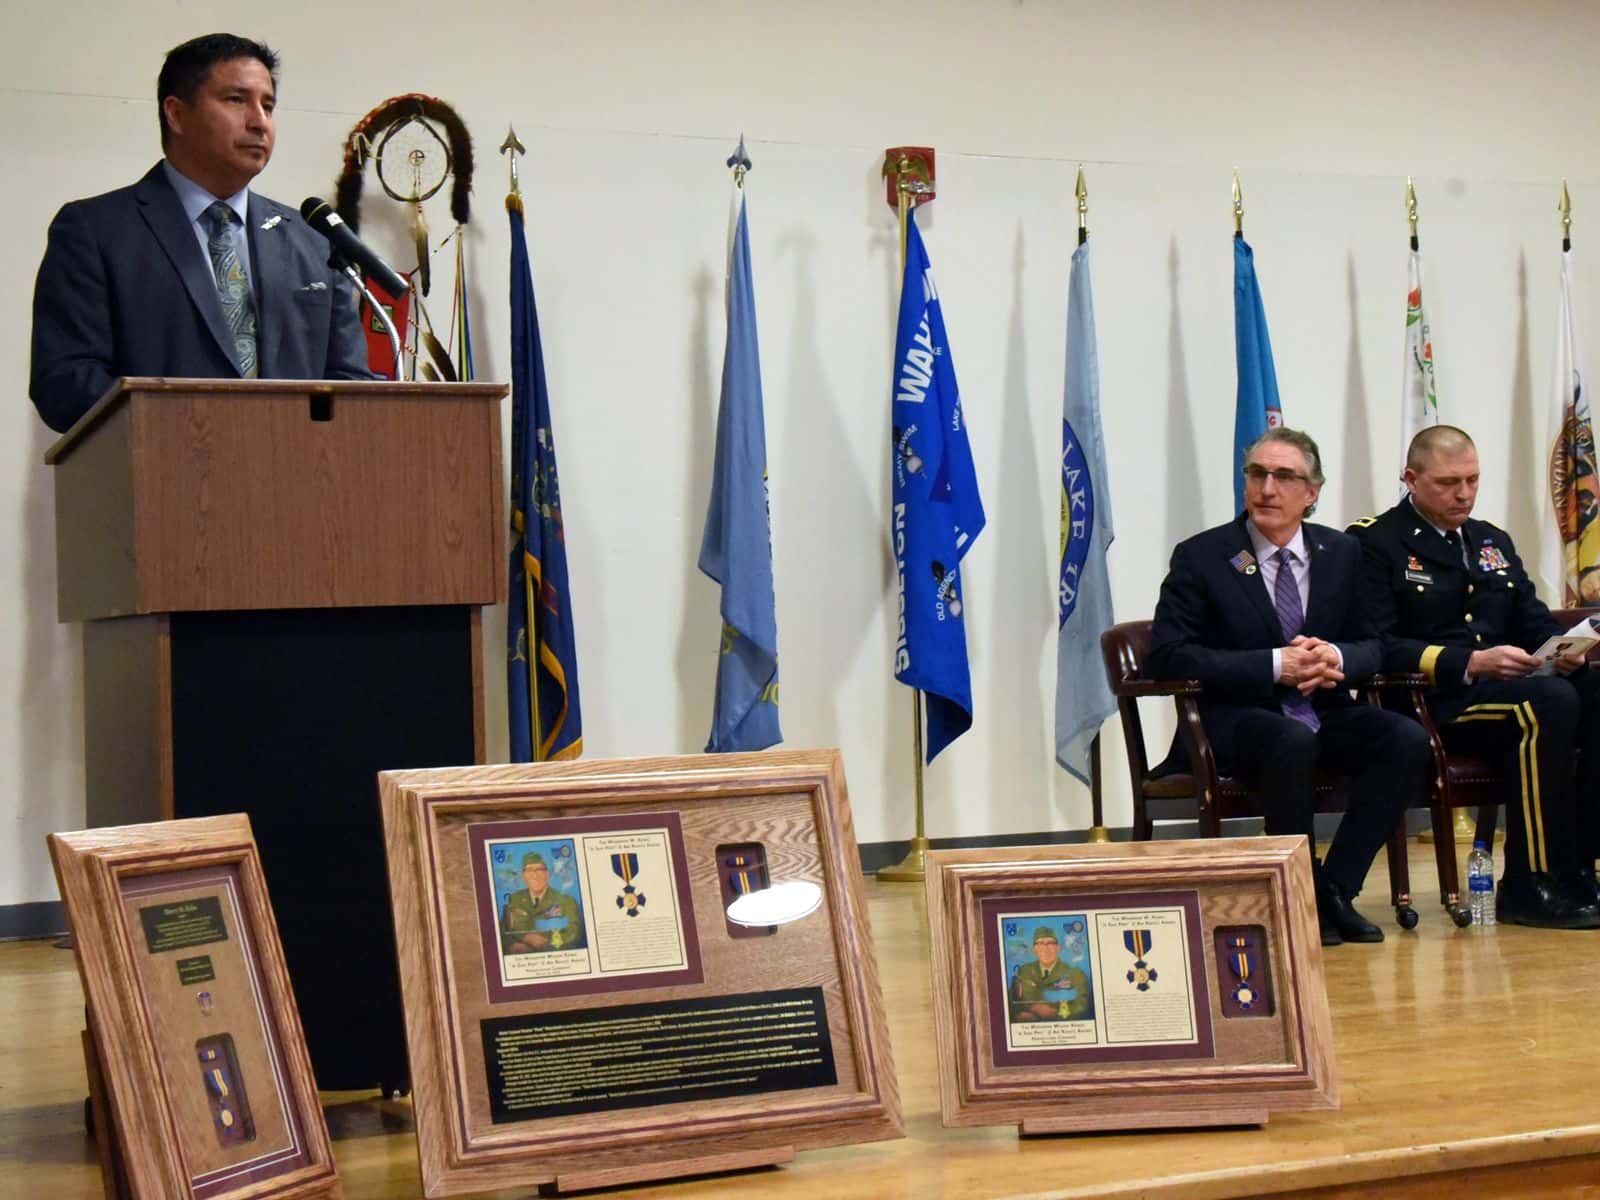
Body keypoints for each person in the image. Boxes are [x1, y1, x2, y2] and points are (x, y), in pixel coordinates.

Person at [1150, 427, 1432, 945]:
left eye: (1284, 476)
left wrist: (1337, 656)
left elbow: (1376, 642)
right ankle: (1296, 895)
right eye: (1256, 474)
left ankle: (1335, 888)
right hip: (1235, 718)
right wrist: (1273, 664)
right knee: (1290, 741)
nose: (1267, 488)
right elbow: (1168, 654)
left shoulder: (1342, 552)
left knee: (1404, 738)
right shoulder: (1204, 555)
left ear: (1313, 491)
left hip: (1322, 706)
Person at [29, 33, 376, 434]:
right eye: (235, 100)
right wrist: (196, 429)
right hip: (161, 475)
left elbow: (350, 383)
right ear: (176, 114)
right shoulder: (96, 230)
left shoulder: (311, 240)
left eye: (268, 105)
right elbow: (65, 383)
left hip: (300, 478)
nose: (259, 121)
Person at [1349, 425, 1600, 928]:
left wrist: (1568, 650)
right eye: (1447, 482)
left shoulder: (1490, 540)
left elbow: (1531, 622)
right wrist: (1467, 663)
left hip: (1509, 689)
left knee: (1590, 689)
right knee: (1546, 703)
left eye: (1472, 480)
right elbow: (1377, 643)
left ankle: (1580, 868)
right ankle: (1530, 882)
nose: (1463, 493)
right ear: (1411, 479)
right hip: (1430, 700)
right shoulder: (1375, 542)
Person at [501, 853, 585, 953]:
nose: (535, 875)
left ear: (547, 874)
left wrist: (545, 944)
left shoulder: (566, 901)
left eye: (540, 869)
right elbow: (504, 931)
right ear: (523, 876)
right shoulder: (514, 899)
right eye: (529, 870)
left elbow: (573, 934)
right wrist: (514, 945)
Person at [1010, 927, 1090, 1022]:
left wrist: (1053, 1014)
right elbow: (1012, 1002)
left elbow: (1082, 1006)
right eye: (1040, 943)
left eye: (1050, 943)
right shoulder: (1023, 971)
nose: (1045, 948)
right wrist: (1033, 1009)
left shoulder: (1076, 974)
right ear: (1034, 949)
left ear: (1058, 948)